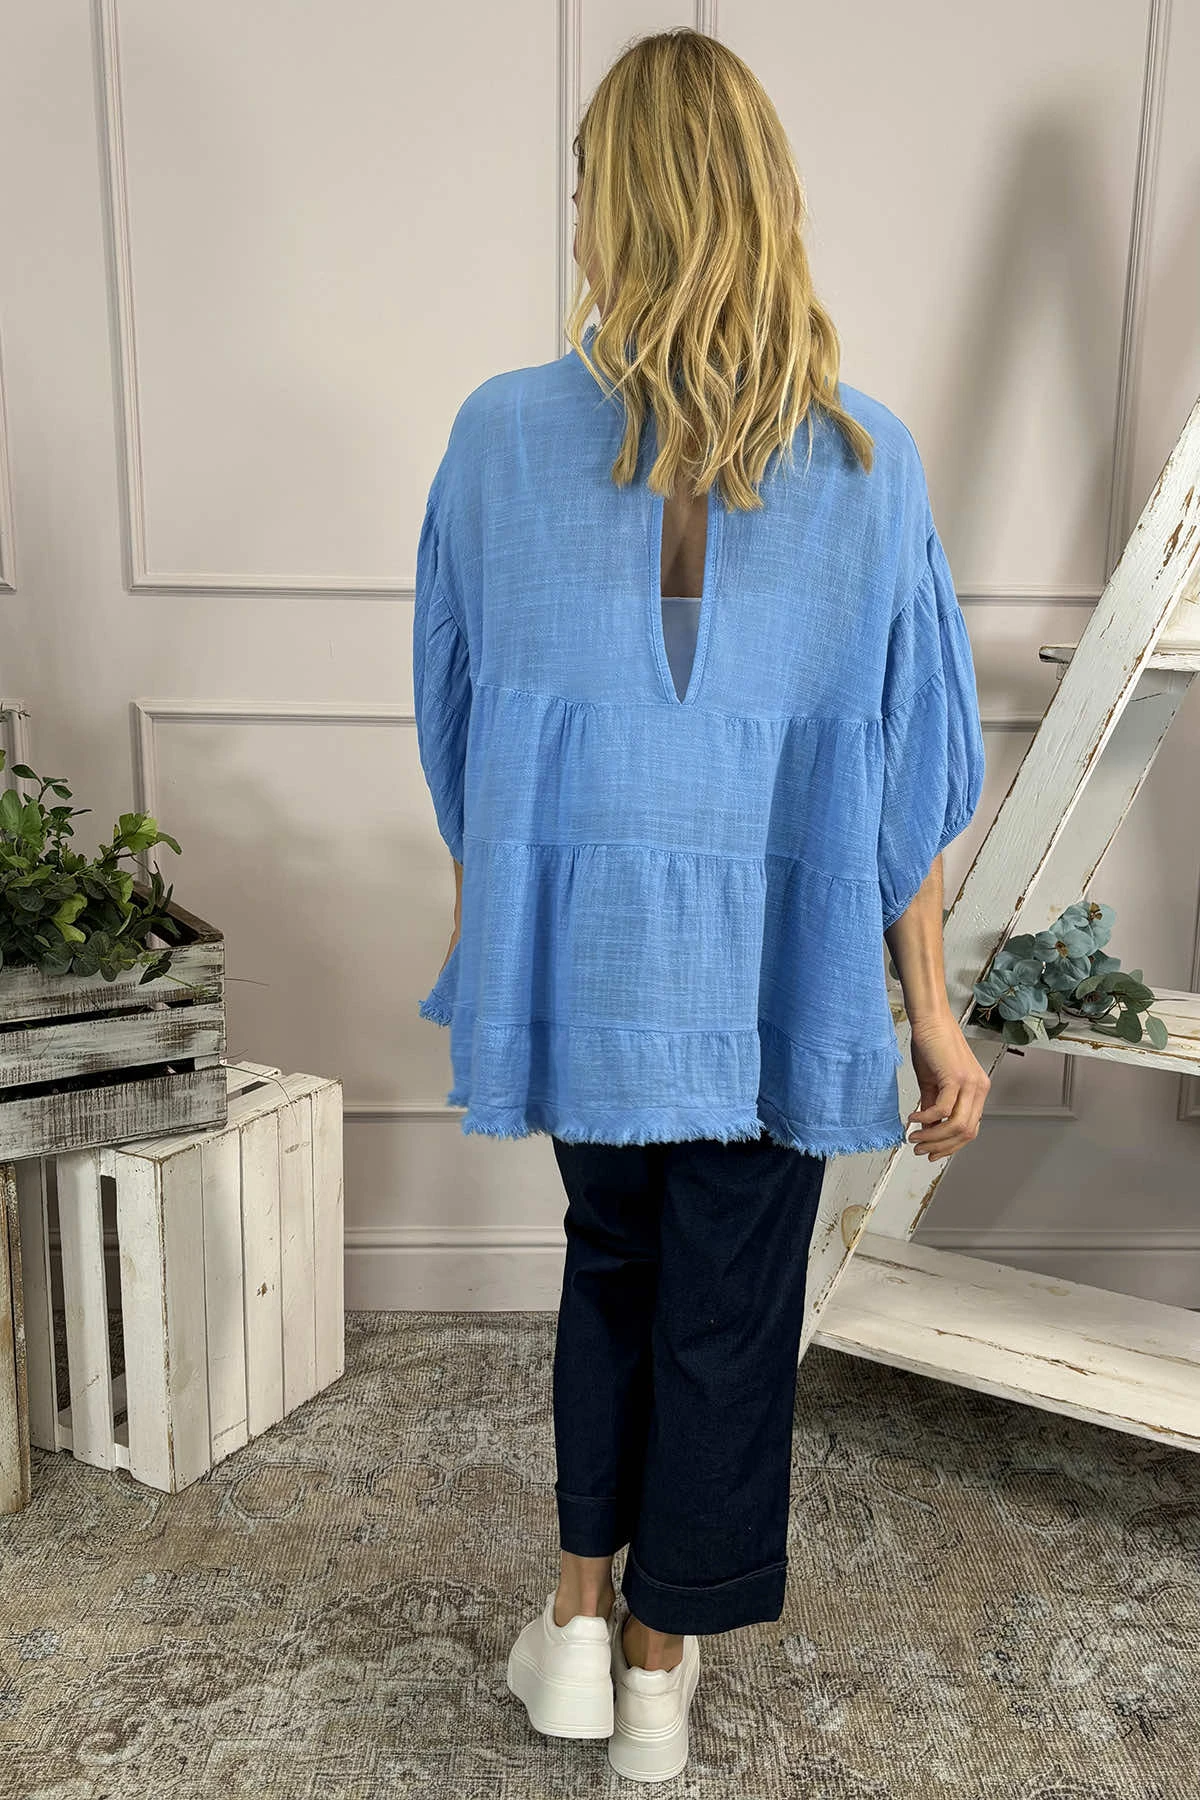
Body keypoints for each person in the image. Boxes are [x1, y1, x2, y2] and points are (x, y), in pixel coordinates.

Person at [413, 26, 989, 1784]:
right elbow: (909, 773)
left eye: (590, 188)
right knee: (730, 1307)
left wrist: (509, 929)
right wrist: (930, 1009)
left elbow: (456, 726)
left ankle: (578, 1630)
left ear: (622, 206)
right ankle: (659, 1681)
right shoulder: (870, 464)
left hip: (586, 974)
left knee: (610, 1267)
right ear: (765, 203)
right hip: (776, 982)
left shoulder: (500, 438)